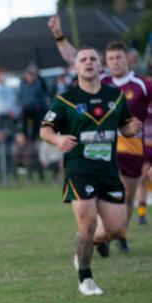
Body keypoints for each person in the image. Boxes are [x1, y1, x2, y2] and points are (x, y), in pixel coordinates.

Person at [40, 45, 142, 296]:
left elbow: (125, 126)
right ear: (75, 67)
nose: (88, 63)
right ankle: (85, 279)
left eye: (92, 59)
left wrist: (132, 128)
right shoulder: (66, 99)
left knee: (117, 229)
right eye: (83, 59)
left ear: (99, 65)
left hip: (108, 170)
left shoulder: (114, 96)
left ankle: (83, 245)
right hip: (79, 168)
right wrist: (58, 140)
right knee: (87, 223)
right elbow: (45, 130)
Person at [48, 15, 152, 255]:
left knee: (127, 197)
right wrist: (58, 35)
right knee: (109, 194)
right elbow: (74, 57)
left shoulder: (142, 84)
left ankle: (111, 235)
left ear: (128, 59)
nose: (115, 62)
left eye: (119, 58)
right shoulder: (100, 79)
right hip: (107, 147)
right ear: (105, 62)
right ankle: (99, 234)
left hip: (135, 146)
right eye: (111, 58)